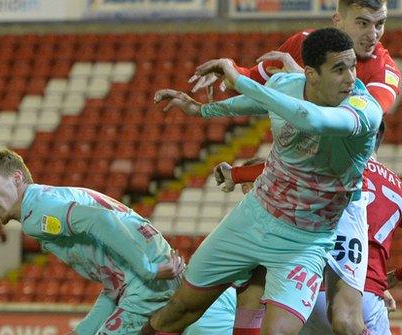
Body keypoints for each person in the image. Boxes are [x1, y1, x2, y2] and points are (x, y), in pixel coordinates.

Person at [140, 27, 382, 335]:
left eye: (352, 66)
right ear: (311, 74)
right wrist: (200, 110)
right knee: (177, 312)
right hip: (252, 218)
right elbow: (254, 103)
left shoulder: (364, 110)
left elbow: (312, 119)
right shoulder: (285, 85)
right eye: (339, 69)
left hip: (304, 241)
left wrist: (238, 78)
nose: (351, 78)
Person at [223, 122, 402, 335]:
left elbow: (279, 169)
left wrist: (235, 174)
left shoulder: (327, 167)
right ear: (380, 139)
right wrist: (395, 277)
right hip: (362, 296)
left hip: (303, 293)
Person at [0, 150, 184, 334]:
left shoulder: (36, 213)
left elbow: (101, 219)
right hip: (152, 273)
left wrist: (149, 270)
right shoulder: (48, 199)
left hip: (148, 281)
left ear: (17, 178)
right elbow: (114, 285)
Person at [190, 0, 401, 114]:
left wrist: (304, 78)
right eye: (363, 24)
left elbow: (362, 117)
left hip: (346, 177)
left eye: (379, 24)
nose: (373, 34)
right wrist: (228, 72)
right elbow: (254, 81)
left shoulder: (386, 71)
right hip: (299, 167)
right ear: (338, 21)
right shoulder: (304, 42)